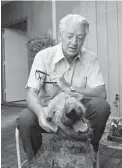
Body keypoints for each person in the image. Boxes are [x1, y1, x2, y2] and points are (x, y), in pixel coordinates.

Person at [16, 14, 111, 162]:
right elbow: (31, 93)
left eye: (80, 38)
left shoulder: (90, 58)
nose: (74, 42)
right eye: (70, 36)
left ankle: (88, 152)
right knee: (25, 119)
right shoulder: (44, 56)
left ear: (85, 37)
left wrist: (69, 89)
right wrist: (41, 113)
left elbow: (101, 93)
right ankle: (37, 161)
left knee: (101, 106)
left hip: (78, 113)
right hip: (49, 113)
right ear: (60, 35)